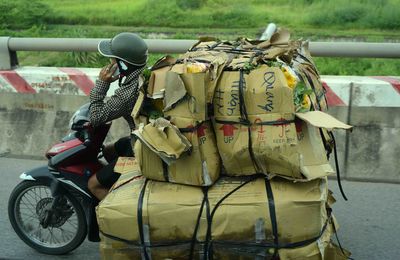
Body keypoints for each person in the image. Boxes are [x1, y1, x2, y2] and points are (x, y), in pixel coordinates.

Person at [88, 32, 148, 200]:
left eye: (113, 60)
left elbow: (96, 117)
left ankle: (118, 214)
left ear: (123, 65)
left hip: (143, 150)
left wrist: (102, 84)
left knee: (94, 184)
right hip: (144, 140)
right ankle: (125, 186)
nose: (110, 63)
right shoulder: (145, 74)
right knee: (109, 150)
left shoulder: (127, 94)